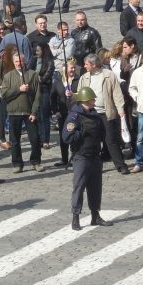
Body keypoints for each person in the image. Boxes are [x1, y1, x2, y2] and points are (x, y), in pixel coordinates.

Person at [62, 87, 116, 230]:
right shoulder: (74, 117)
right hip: (81, 156)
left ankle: (95, 215)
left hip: (95, 156)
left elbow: (102, 134)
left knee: (95, 188)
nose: (94, 102)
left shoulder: (95, 115)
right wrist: (82, 133)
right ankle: (75, 216)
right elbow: (67, 137)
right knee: (79, 187)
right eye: (92, 99)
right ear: (86, 100)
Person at [78, 53, 128, 174]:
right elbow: (80, 93)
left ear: (94, 64)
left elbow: (116, 93)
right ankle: (93, 165)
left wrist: (120, 109)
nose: (84, 66)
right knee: (92, 140)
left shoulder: (108, 75)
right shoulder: (84, 77)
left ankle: (121, 165)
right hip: (90, 113)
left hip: (105, 112)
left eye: (86, 64)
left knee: (111, 140)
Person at [0, 50, 43, 173]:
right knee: (15, 141)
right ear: (13, 63)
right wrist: (18, 89)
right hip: (14, 113)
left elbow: (38, 95)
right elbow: (4, 94)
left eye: (21, 61)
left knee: (35, 139)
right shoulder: (8, 76)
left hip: (29, 113)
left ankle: (36, 161)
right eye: (16, 61)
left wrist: (34, 112)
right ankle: (17, 163)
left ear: (25, 61)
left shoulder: (32, 75)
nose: (19, 63)